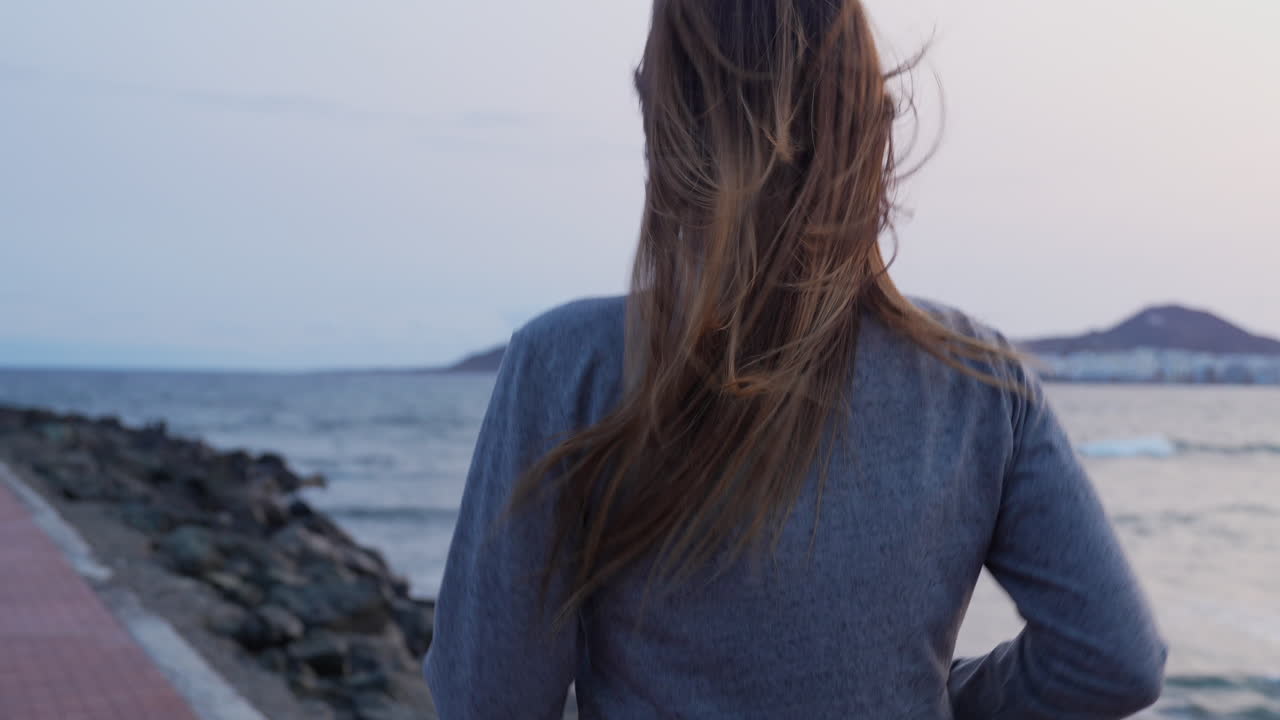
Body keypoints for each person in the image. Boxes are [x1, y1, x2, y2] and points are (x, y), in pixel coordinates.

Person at [424, 1, 1167, 717]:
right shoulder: (978, 379)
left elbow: (488, 700)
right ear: (864, 122)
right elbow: (1113, 659)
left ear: (664, 120)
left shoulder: (568, 367)